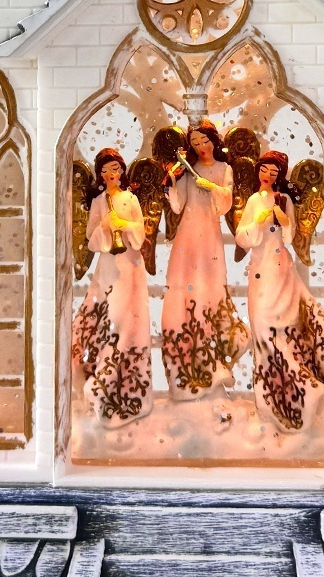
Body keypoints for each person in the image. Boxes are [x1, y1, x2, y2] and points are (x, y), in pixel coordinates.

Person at [235, 151, 324, 433]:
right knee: (262, 325)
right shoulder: (254, 200)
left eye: (274, 173)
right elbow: (242, 237)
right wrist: (258, 221)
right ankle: (275, 396)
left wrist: (284, 220)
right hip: (260, 268)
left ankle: (302, 385)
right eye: (264, 170)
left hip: (280, 266)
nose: (268, 176)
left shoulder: (284, 199)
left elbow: (290, 235)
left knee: (281, 325)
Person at [162, 120, 249, 399]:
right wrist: (172, 184)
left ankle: (213, 352)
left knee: (209, 286)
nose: (201, 147)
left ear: (214, 141)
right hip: (187, 235)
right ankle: (186, 353)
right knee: (185, 287)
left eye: (204, 141)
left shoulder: (224, 169)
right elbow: (178, 206)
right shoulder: (188, 168)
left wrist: (211, 186)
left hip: (209, 235)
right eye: (195, 143)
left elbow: (225, 204)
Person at [71, 148, 153, 427]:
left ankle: (128, 387)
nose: (110, 175)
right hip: (108, 266)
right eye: (105, 171)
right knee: (109, 317)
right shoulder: (98, 201)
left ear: (122, 171)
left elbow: (140, 233)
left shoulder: (130, 199)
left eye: (115, 170)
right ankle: (100, 376)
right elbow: (91, 239)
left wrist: (126, 225)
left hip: (130, 266)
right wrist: (105, 225)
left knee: (128, 320)